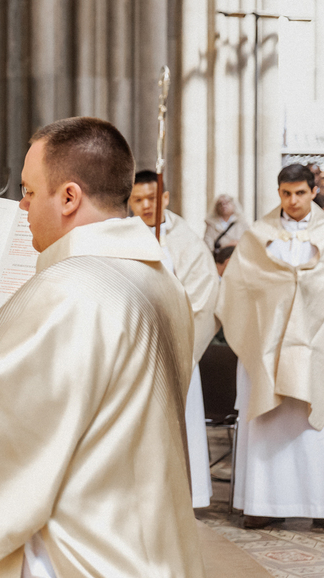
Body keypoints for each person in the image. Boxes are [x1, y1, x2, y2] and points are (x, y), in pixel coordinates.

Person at [0, 117, 203, 577]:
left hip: (80, 548)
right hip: (145, 538)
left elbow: (7, 428)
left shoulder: (73, 288)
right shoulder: (160, 279)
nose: (22, 206)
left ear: (69, 197)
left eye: (30, 191)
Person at [216, 163, 324, 528]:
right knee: (268, 422)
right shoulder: (257, 235)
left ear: (313, 192)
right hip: (267, 343)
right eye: (286, 193)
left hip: (315, 344)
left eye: (300, 193)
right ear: (278, 193)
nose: (293, 201)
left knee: (314, 428)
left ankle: (319, 505)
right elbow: (238, 287)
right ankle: (263, 504)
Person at [129, 169, 220, 508]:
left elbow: (202, 291)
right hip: (136, 343)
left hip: (176, 343)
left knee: (181, 421)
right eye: (138, 199)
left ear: (165, 198)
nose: (145, 206)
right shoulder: (121, 236)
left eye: (152, 198)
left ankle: (186, 498)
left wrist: (172, 321)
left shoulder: (187, 241)